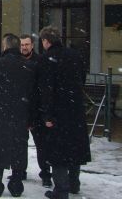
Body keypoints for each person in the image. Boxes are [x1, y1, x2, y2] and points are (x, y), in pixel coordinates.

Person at [37, 26, 91, 199]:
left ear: (46, 41)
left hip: (57, 112)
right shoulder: (75, 56)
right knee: (74, 148)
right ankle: (74, 183)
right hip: (75, 110)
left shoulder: (46, 59)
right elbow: (82, 79)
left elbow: (46, 89)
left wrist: (47, 114)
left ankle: (61, 190)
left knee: (58, 152)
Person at [0, 33, 35, 198]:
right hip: (21, 115)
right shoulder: (29, 66)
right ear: (19, 47)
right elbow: (34, 95)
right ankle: (17, 185)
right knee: (19, 149)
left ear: (5, 46)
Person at [20, 33, 52, 187]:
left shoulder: (40, 61)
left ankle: (46, 174)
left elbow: (43, 88)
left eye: (26, 44)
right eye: (21, 45)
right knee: (20, 143)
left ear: (32, 45)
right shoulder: (16, 61)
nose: (24, 47)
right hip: (21, 110)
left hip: (37, 110)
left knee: (42, 145)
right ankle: (20, 171)